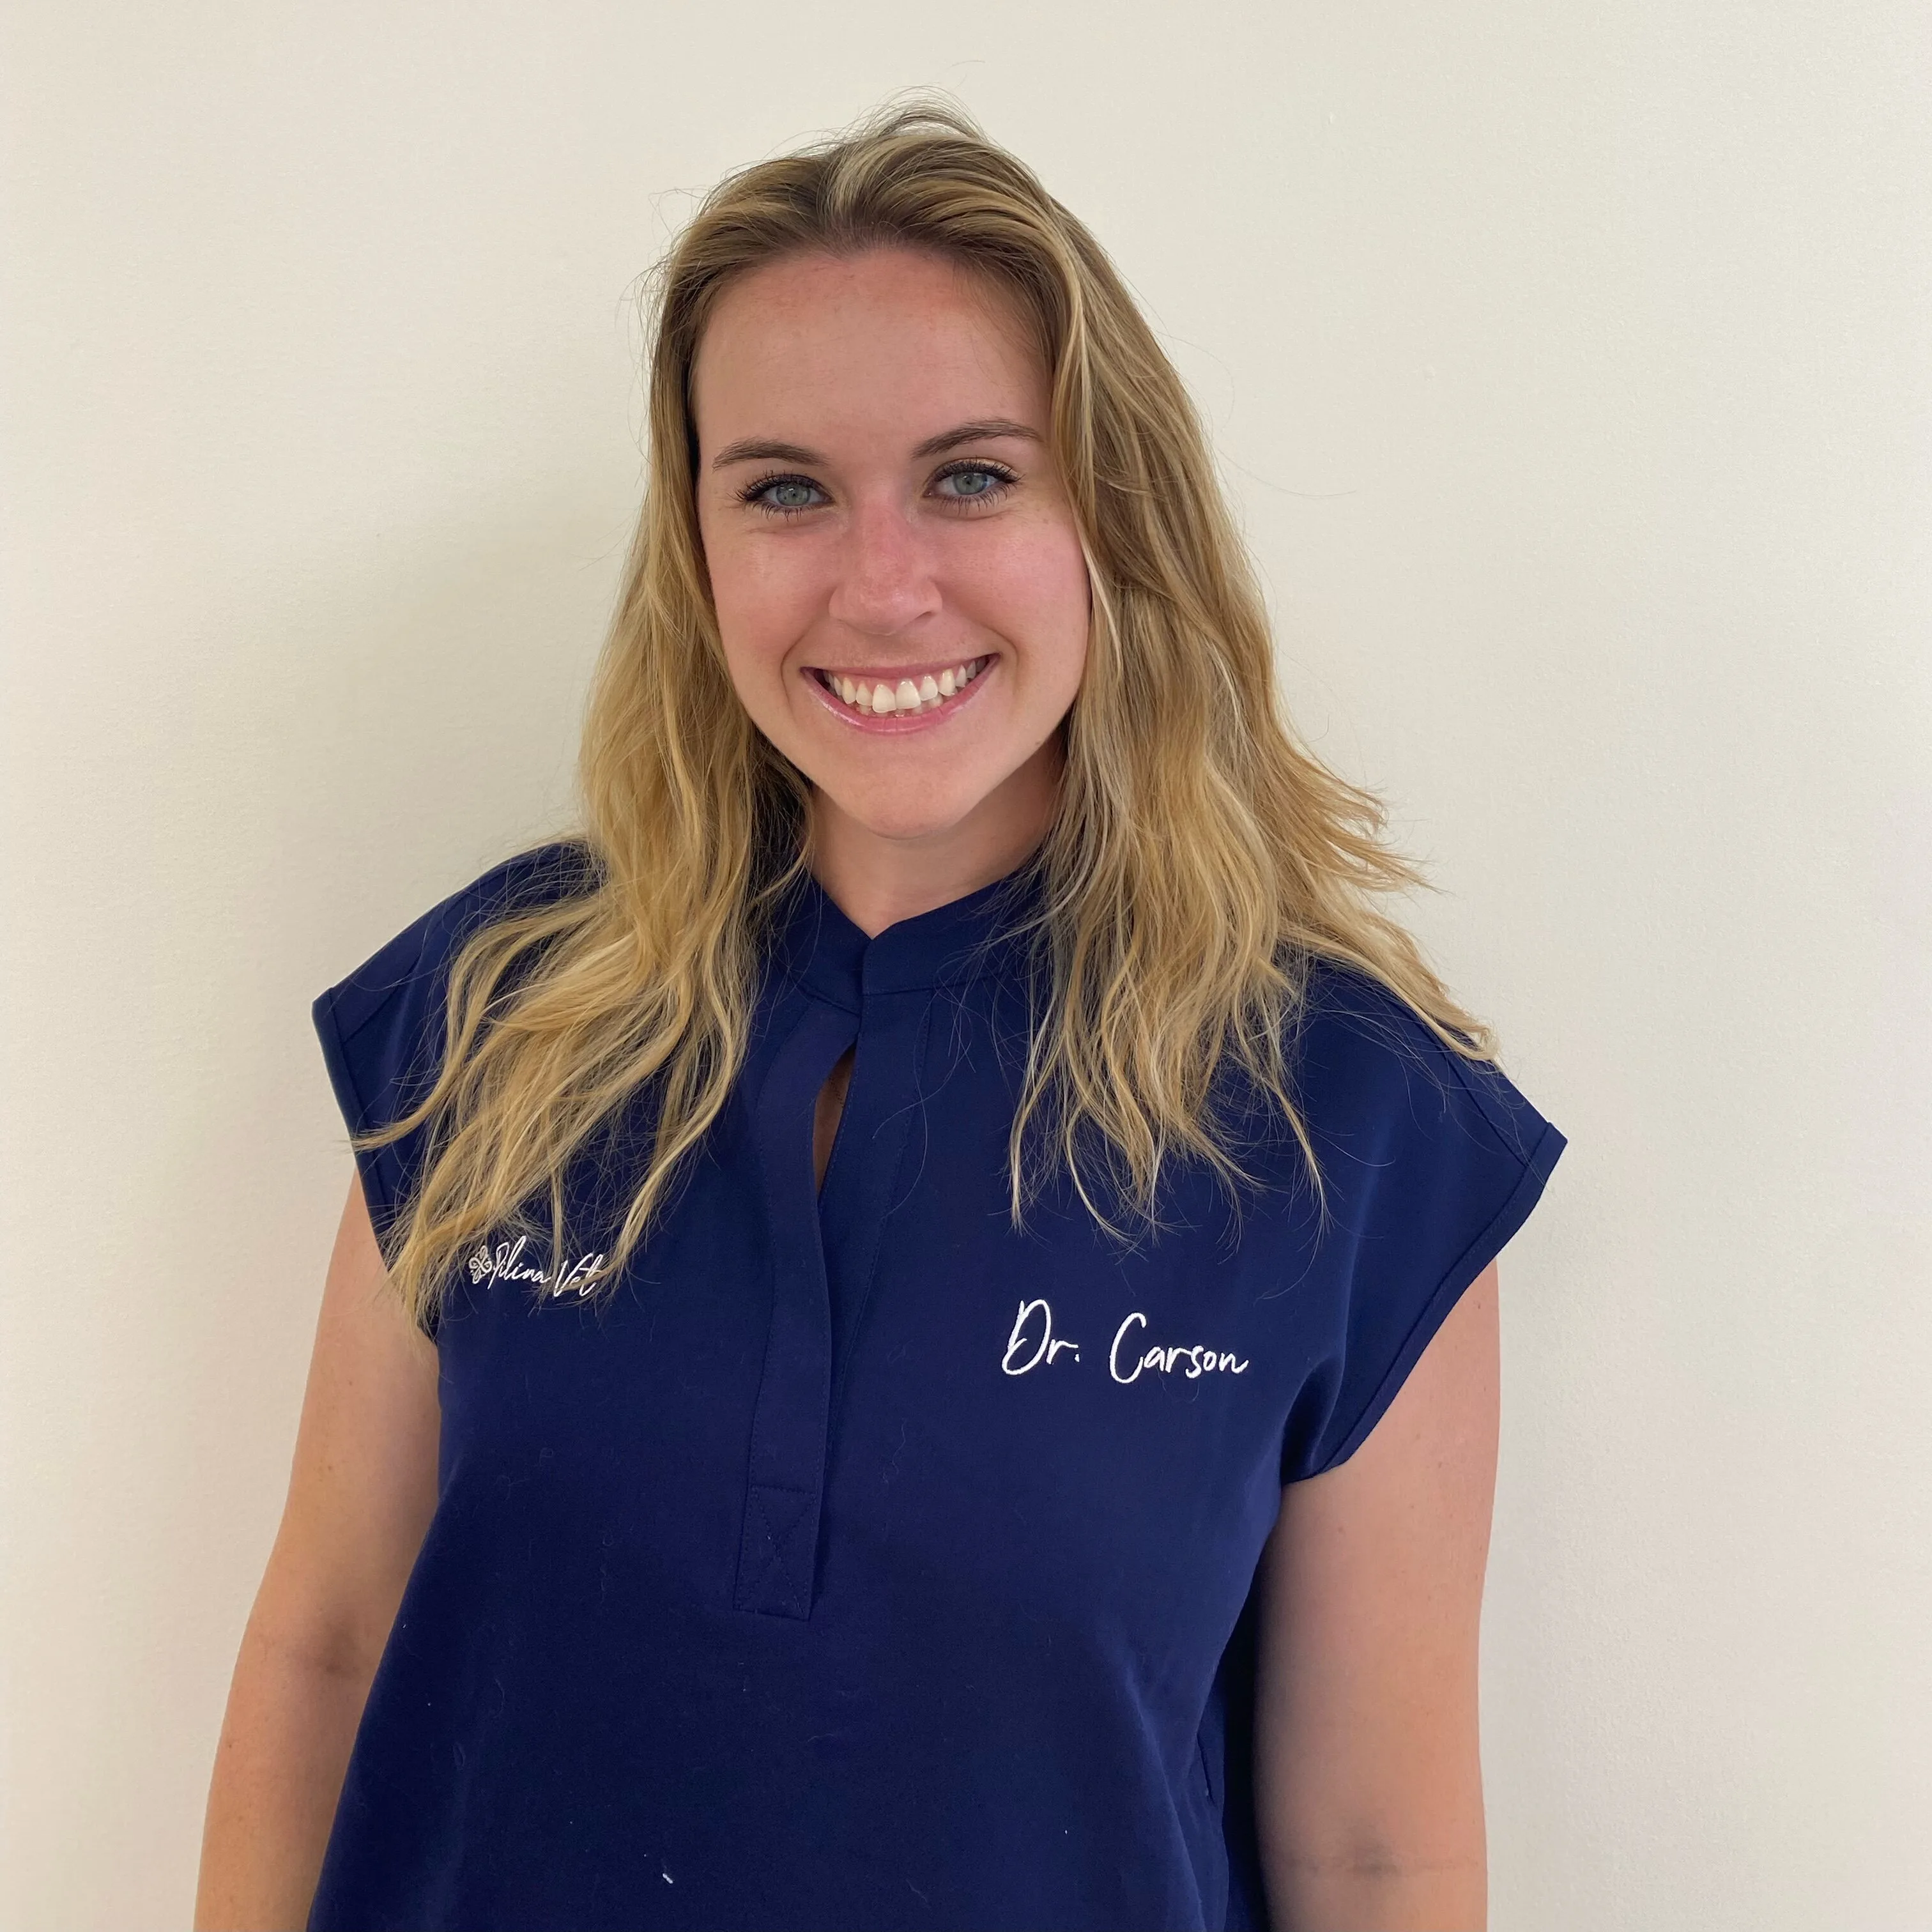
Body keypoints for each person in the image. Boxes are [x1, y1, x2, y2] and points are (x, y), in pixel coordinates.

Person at [194, 96, 1565, 1932]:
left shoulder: (1351, 1126)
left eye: (974, 476)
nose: (881, 583)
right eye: (785, 490)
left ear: (1111, 511)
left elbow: (1376, 1854)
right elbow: (327, 1650)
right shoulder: (492, 1022)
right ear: (696, 547)